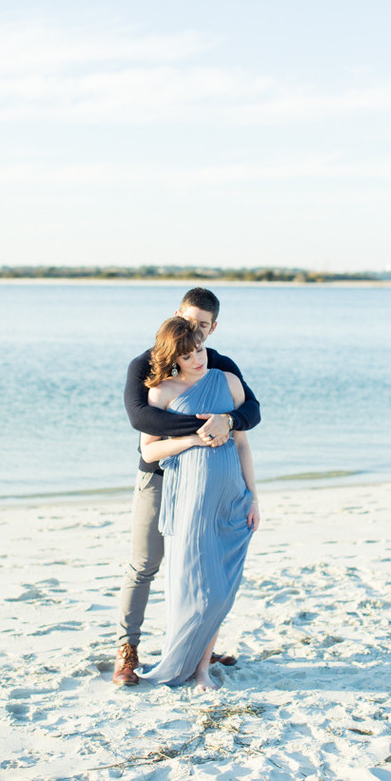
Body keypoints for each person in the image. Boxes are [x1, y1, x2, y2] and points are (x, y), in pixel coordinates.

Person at [114, 288, 260, 685]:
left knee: (203, 567)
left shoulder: (219, 365)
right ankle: (128, 651)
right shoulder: (145, 365)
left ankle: (199, 649)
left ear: (213, 328)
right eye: (189, 322)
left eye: (202, 328)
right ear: (176, 313)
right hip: (160, 477)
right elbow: (142, 419)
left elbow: (251, 412)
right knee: (146, 564)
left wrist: (227, 422)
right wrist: (205, 427)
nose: (195, 337)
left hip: (207, 484)